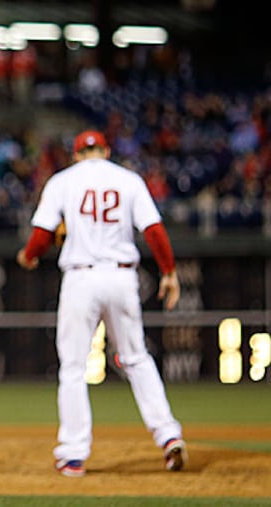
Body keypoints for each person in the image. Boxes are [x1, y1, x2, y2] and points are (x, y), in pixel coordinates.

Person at [16, 130, 187, 477]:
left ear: (77, 154)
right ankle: (168, 435)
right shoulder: (129, 180)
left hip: (81, 277)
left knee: (74, 367)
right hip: (122, 277)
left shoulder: (63, 180)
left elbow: (41, 235)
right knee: (137, 358)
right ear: (105, 151)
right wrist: (168, 271)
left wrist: (29, 256)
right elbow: (153, 230)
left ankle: (74, 454)